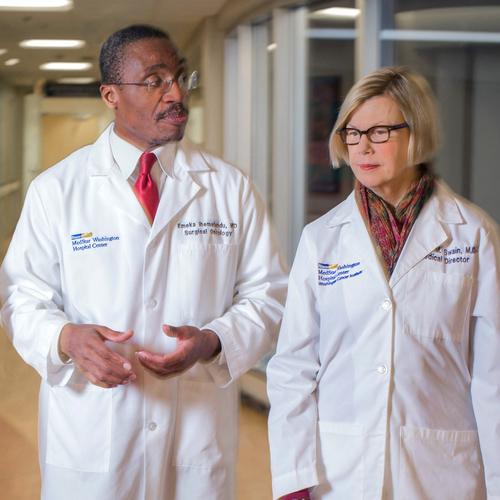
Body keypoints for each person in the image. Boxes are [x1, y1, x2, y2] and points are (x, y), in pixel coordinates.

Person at [0, 24, 287, 500]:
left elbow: (270, 294)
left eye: (179, 77)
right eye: (154, 80)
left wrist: (214, 340)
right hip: (93, 430)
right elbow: (21, 295)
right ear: (110, 94)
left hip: (193, 429)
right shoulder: (57, 190)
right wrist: (66, 338)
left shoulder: (229, 188)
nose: (175, 93)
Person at [266, 66, 500, 500]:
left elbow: (494, 376)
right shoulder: (321, 238)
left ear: (417, 133)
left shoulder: (473, 234)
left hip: (441, 470)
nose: (363, 146)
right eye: (352, 133)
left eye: (380, 131)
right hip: (340, 469)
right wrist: (293, 477)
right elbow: (294, 368)